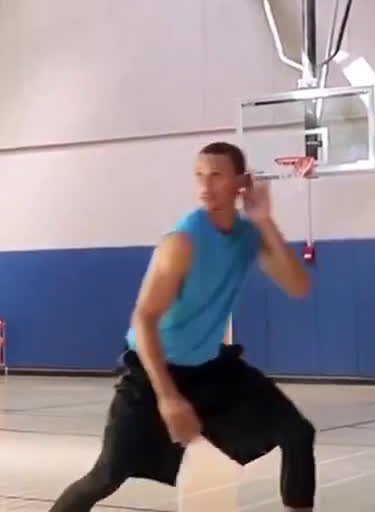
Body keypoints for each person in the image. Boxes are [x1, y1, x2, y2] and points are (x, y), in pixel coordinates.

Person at [50, 141, 316, 512]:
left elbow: (299, 286)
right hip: (153, 370)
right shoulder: (183, 241)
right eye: (199, 176)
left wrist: (264, 221)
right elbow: (144, 319)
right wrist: (169, 397)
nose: (205, 186)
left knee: (297, 432)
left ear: (241, 182)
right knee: (108, 474)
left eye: (217, 175)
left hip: (209, 368)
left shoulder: (248, 235)